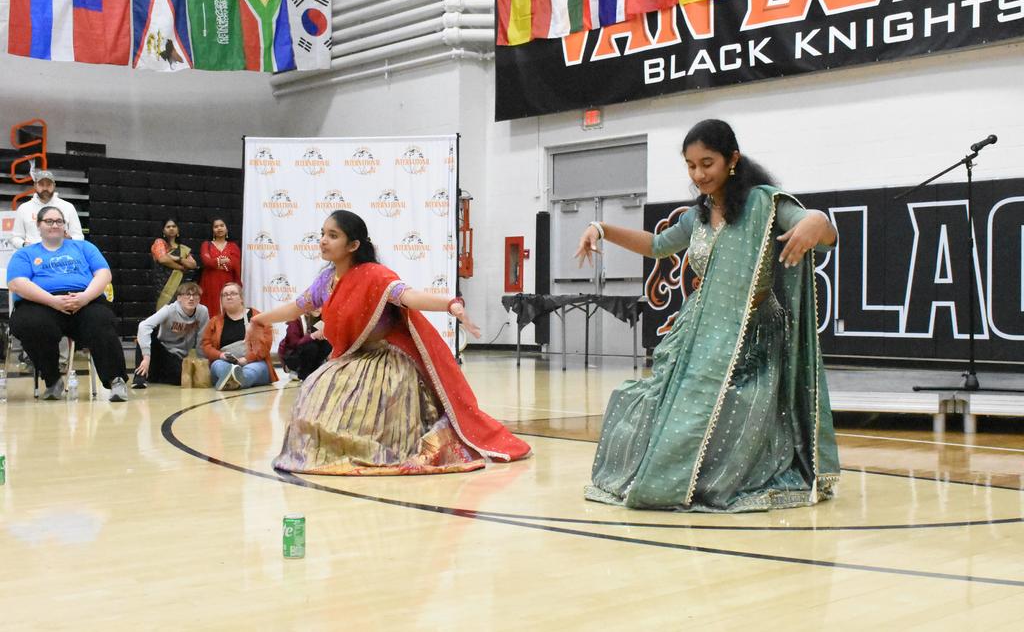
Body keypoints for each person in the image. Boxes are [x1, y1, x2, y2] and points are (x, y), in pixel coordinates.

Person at [575, 119, 840, 512]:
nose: (698, 174)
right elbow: (657, 246)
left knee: (732, 407)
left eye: (707, 163)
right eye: (691, 165)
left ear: (732, 159)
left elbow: (820, 233)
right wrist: (601, 228)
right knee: (644, 401)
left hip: (751, 340)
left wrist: (818, 221)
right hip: (699, 334)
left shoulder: (763, 205)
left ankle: (708, 479)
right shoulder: (697, 216)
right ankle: (669, 475)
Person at [252, 210, 530, 476]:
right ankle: (328, 455)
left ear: (353, 244)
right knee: (315, 391)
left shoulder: (375, 275)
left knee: (374, 409)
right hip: (351, 358)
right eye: (322, 234)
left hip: (386, 363)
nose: (323, 240)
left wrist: (451, 305)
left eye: (333, 235)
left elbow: (409, 297)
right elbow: (296, 307)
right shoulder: (326, 280)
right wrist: (259, 320)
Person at [7, 206, 129, 401]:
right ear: (38, 225)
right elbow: (17, 283)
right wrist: (53, 301)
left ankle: (116, 381)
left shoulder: (84, 247)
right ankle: (53, 380)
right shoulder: (25, 254)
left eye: (59, 221)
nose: (55, 225)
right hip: (42, 303)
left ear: (65, 226)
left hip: (84, 301)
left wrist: (85, 297)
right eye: (49, 221)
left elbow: (104, 274)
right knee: (29, 323)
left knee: (101, 320)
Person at [132, 282, 210, 388]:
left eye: (195, 295)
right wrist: (146, 357)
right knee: (145, 335)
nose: (191, 298)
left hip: (177, 355)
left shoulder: (203, 312)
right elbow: (144, 326)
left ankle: (154, 375)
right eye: (187, 295)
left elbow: (202, 339)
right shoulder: (169, 310)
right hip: (160, 349)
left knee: (181, 379)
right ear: (179, 298)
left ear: (199, 299)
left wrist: (202, 364)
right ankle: (140, 377)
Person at [201, 282, 276, 391]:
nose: (229, 297)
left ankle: (232, 380)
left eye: (233, 293)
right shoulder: (214, 322)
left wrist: (246, 359)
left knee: (252, 370)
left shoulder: (257, 317)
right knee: (217, 365)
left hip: (253, 363)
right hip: (225, 363)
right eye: (225, 295)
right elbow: (206, 346)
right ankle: (235, 380)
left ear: (241, 298)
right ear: (221, 300)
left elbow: (265, 345)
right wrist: (221, 355)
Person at [10, 168, 84, 248]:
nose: (45, 188)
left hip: (61, 256)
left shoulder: (68, 207)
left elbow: (79, 237)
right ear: (35, 185)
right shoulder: (24, 208)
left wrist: (70, 239)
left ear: (54, 185)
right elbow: (15, 237)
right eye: (41, 184)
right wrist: (25, 245)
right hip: (33, 256)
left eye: (48, 184)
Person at [150, 218, 198, 310]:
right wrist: (181, 267)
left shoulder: (183, 248)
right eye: (168, 227)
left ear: (178, 229)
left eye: (174, 226)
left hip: (179, 286)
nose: (171, 228)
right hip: (162, 284)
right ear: (163, 230)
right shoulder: (159, 242)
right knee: (163, 313)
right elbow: (163, 259)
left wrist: (178, 258)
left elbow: (193, 265)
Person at [198, 218, 241, 317]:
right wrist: (222, 261)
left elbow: (235, 264)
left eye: (222, 225)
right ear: (212, 230)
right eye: (216, 226)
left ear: (227, 228)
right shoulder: (206, 245)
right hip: (210, 283)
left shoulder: (233, 246)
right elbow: (206, 261)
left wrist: (216, 262)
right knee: (210, 310)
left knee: (227, 310)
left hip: (228, 282)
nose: (219, 228)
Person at [277, 309, 330, 381]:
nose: (318, 308)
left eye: (320, 305)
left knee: (327, 344)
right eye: (315, 304)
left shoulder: (322, 318)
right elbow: (294, 343)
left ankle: (313, 370)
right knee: (311, 346)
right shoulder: (296, 319)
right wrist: (312, 336)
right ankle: (300, 372)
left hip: (309, 355)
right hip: (292, 356)